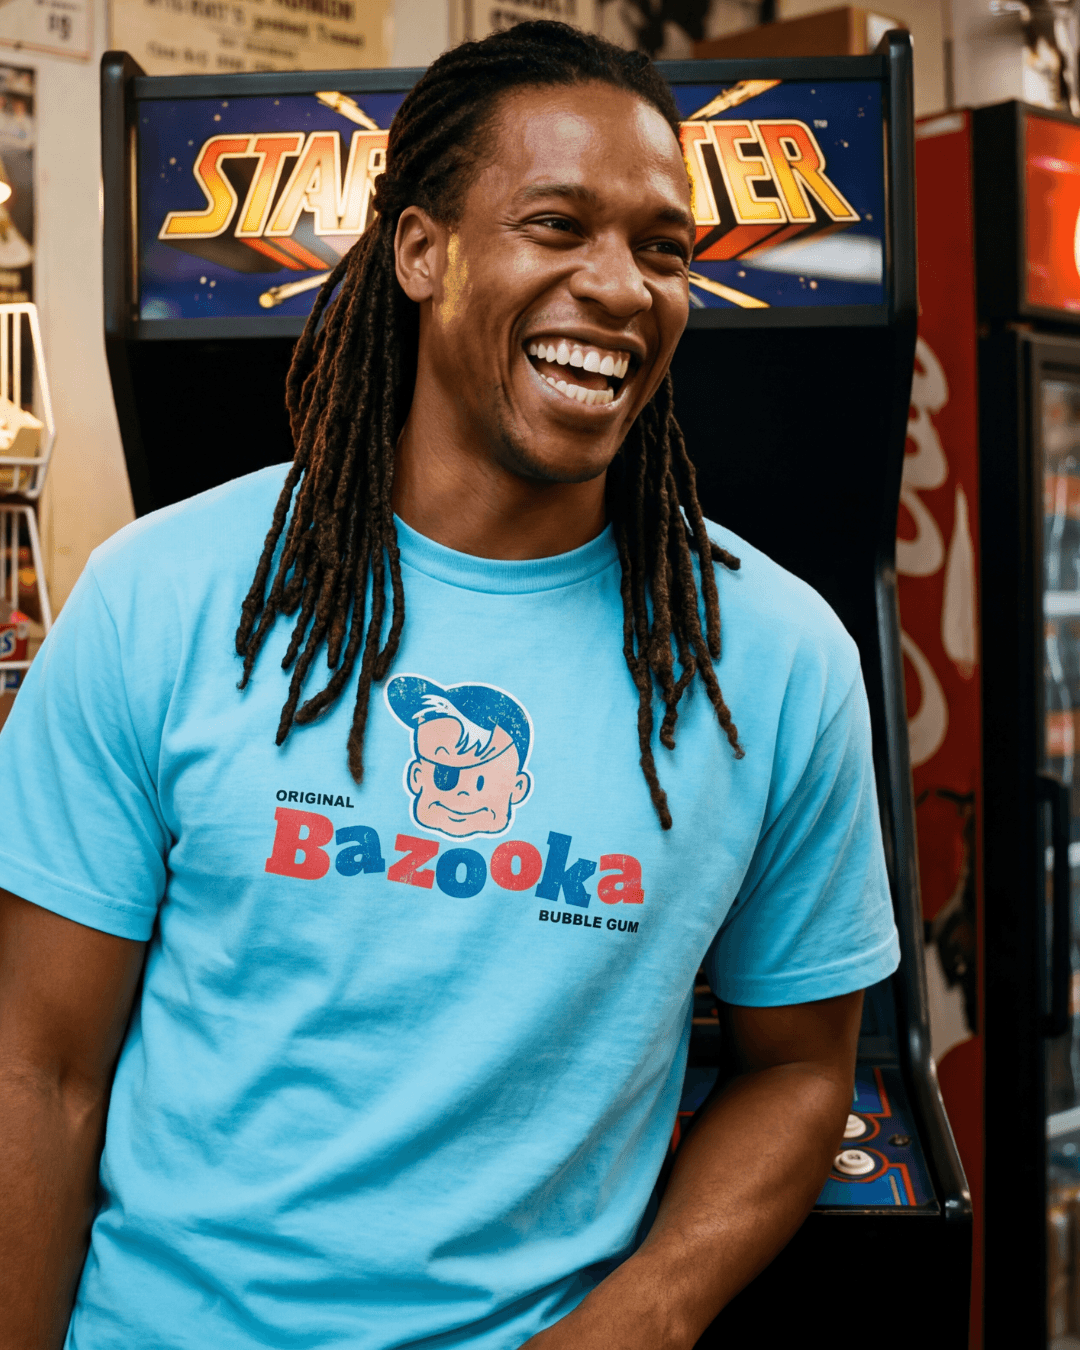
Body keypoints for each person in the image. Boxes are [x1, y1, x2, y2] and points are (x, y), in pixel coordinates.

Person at [0, 22, 900, 1350]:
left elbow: (805, 1066)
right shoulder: (161, 597)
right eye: (558, 225)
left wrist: (636, 1319)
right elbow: (41, 1071)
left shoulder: (779, 662)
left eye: (664, 249)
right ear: (421, 251)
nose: (621, 286)